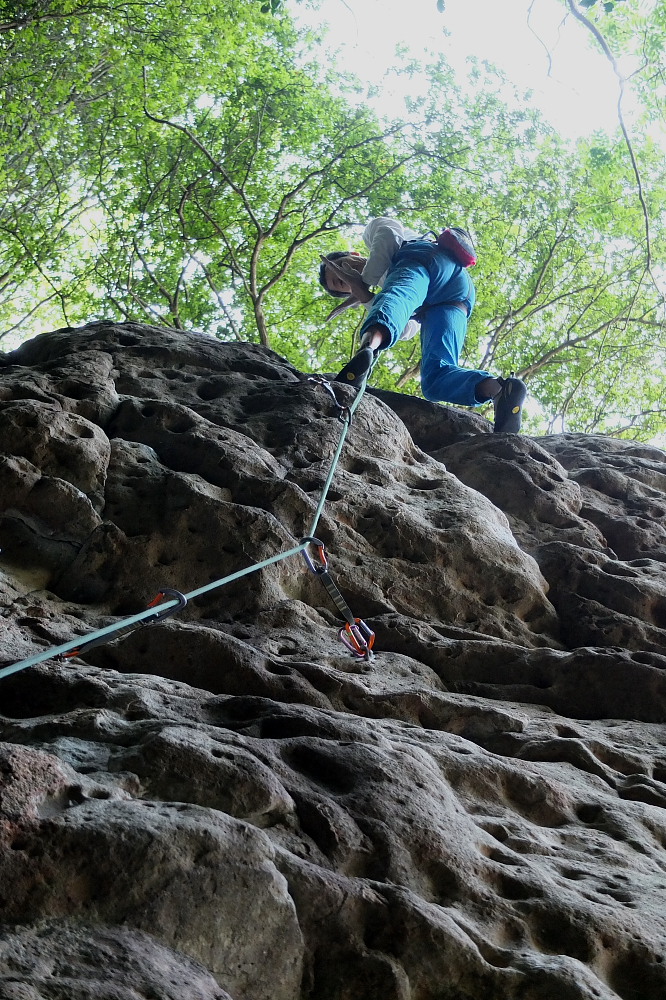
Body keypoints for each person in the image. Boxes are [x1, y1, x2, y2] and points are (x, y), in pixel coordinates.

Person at [318, 216, 527, 433]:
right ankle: (500, 390)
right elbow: (408, 329)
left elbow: (388, 235)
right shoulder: (378, 288)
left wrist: (366, 281)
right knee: (435, 380)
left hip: (426, 258)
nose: (346, 275)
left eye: (341, 266)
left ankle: (367, 350)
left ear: (353, 254)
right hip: (453, 300)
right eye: (342, 283)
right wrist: (364, 295)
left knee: (395, 299)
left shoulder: (371, 233)